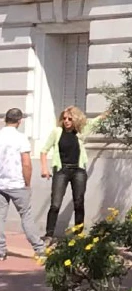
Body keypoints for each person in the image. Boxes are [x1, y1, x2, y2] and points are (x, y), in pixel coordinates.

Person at [38, 105, 96, 244]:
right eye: (64, 118)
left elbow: (95, 122)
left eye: (70, 118)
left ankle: (78, 234)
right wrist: (44, 169)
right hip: (61, 171)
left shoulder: (80, 132)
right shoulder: (57, 132)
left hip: (78, 171)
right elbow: (44, 151)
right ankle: (49, 235)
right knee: (55, 204)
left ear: (75, 120)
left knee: (79, 202)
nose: (66, 121)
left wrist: (109, 111)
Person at [0, 110, 41, 261]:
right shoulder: (21, 138)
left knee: (0, 218)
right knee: (26, 216)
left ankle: (0, 250)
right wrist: (27, 183)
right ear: (20, 121)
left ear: (5, 119)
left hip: (1, 182)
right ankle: (39, 248)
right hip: (17, 182)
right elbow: (26, 163)